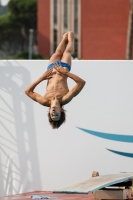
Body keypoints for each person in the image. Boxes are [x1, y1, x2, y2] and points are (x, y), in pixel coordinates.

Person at [25, 31, 86, 129]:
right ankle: (70, 38)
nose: (54, 113)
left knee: (57, 52)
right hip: (64, 68)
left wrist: (42, 78)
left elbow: (27, 91)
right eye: (56, 115)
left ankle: (63, 38)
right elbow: (81, 83)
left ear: (49, 113)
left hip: (51, 69)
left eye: (52, 115)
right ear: (61, 111)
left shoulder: (44, 101)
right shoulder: (65, 99)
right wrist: (65, 73)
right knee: (66, 52)